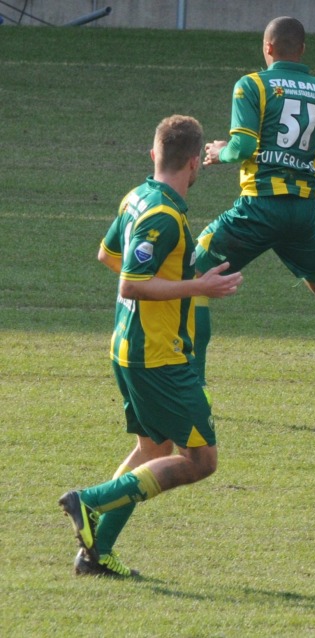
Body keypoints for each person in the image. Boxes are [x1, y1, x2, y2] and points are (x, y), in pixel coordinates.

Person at [59, 114, 243, 577]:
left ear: (154, 155)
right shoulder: (162, 216)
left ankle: (95, 554)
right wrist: (197, 286)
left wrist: (165, 284)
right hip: (157, 356)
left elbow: (108, 254)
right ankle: (92, 501)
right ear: (195, 164)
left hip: (128, 347)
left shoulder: (137, 197)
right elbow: (131, 283)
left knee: (153, 450)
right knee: (200, 460)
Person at [195, 16, 315, 393]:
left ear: (267, 48)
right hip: (301, 213)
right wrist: (311, 182)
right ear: (302, 50)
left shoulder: (252, 84)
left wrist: (220, 152)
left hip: (258, 209)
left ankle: (196, 386)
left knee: (195, 279)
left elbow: (243, 147)